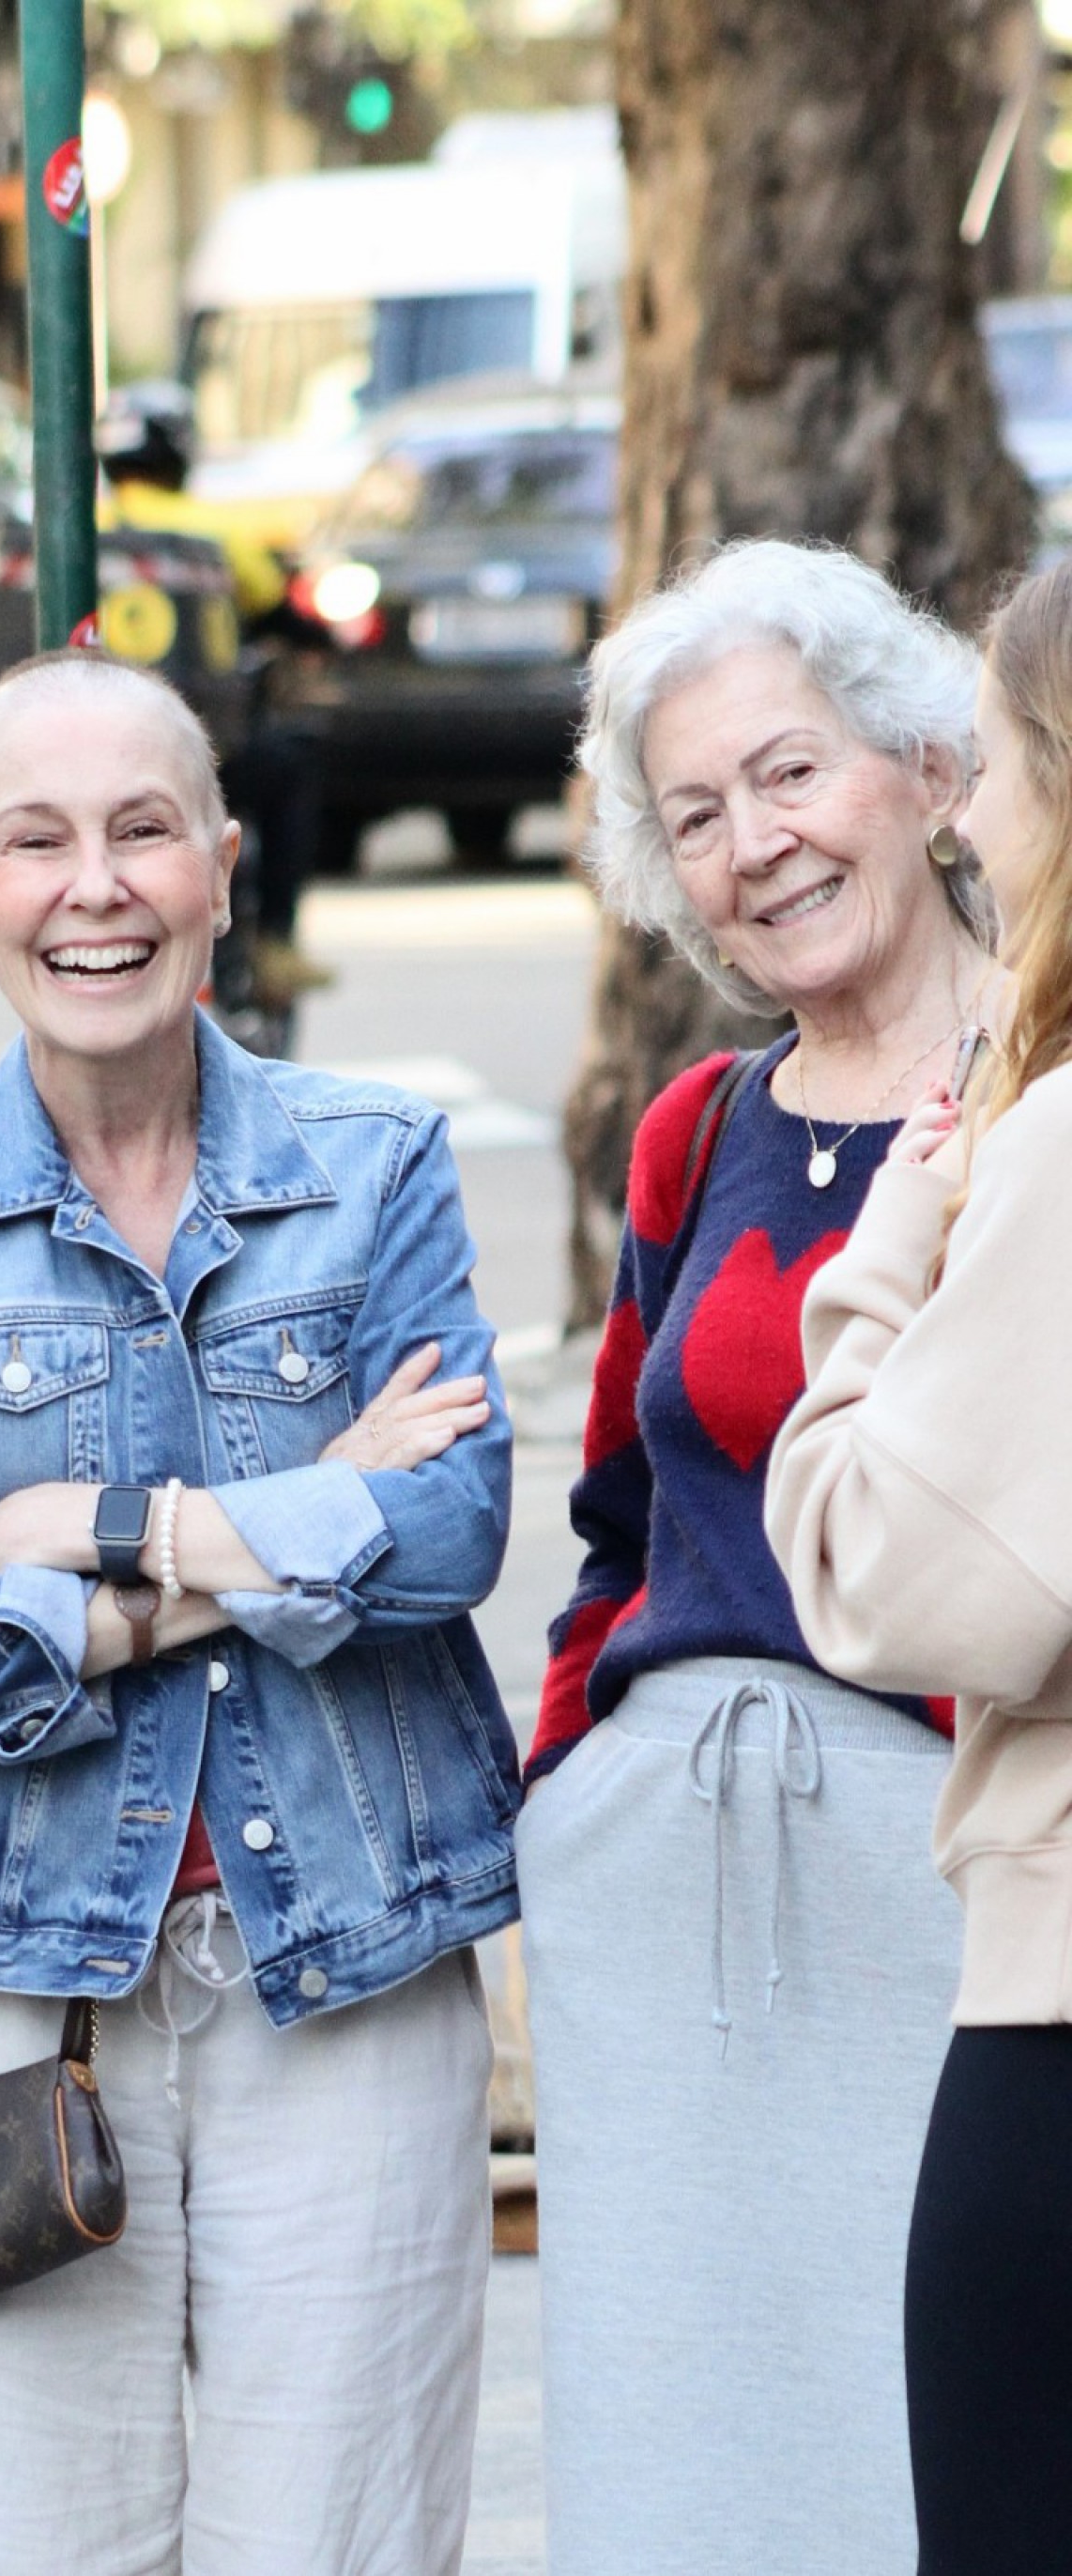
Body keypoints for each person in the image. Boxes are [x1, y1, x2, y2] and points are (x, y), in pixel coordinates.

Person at [0, 645, 520, 2576]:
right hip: (6, 1998)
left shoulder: (378, 1168)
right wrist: (269, 1537)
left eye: (140, 832)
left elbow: (446, 1533)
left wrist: (68, 1528)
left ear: (220, 863)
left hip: (349, 1978)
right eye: (34, 840)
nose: (91, 888)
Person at [518, 540, 1000, 2576]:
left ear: (923, 765)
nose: (755, 846)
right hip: (660, 1920)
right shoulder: (698, 1134)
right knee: (681, 2479)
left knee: (948, 2457)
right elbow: (620, 1530)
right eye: (695, 816)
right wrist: (558, 1811)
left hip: (963, 1897)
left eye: (788, 775)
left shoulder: (1042, 1100)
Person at [766, 556, 1072, 2576]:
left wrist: (903, 1226)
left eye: (996, 753)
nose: (963, 805)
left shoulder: (1045, 1149)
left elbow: (895, 1570)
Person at [97, 379, 333, 1010]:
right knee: (293, 767)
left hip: (94, 759)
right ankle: (275, 942)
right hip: (209, 755)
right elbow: (280, 611)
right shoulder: (217, 533)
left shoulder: (73, 531)